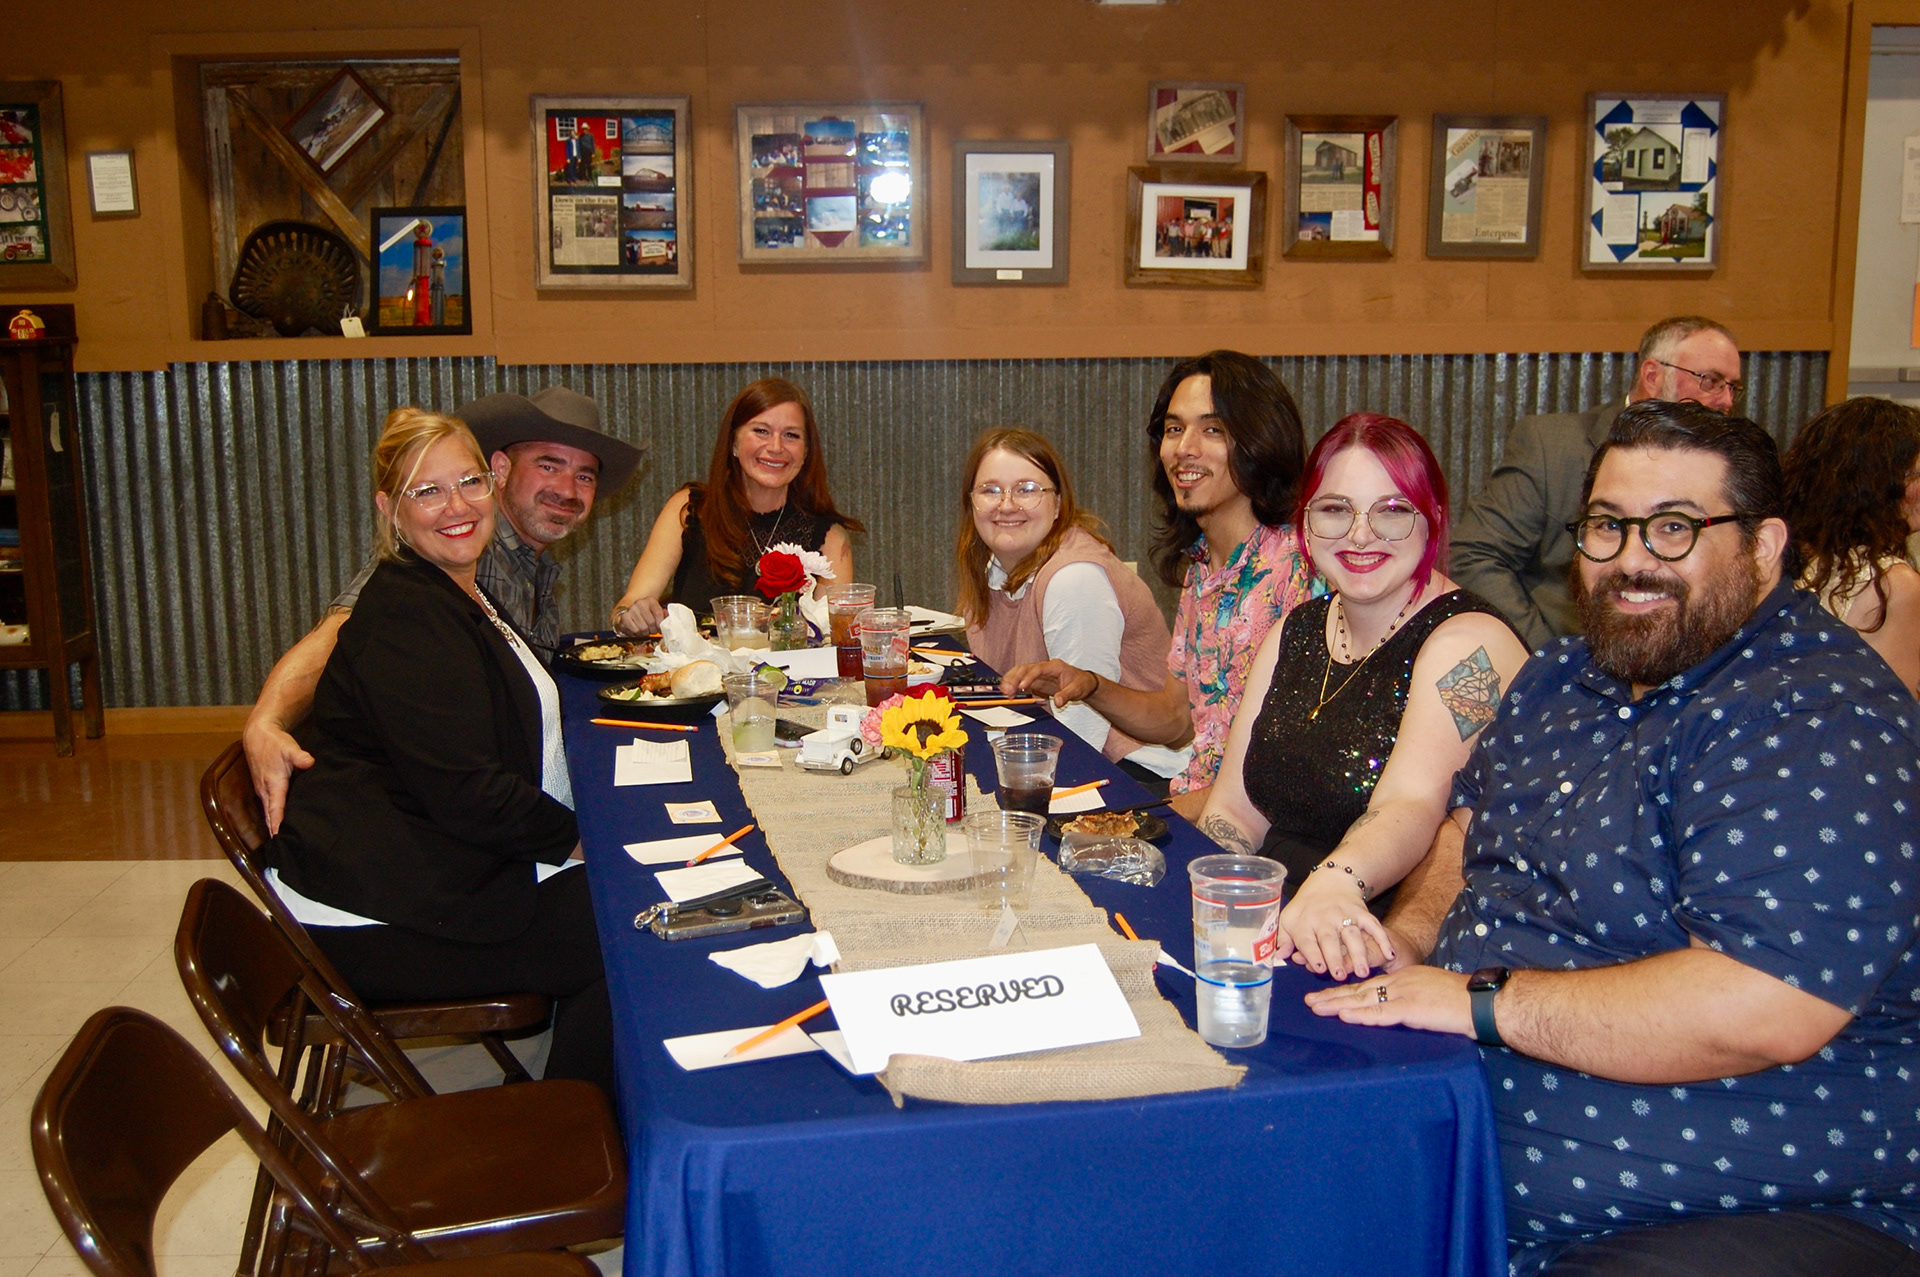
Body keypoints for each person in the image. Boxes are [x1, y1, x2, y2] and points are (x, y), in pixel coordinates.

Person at [1307, 401, 1920, 1275]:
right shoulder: (1561, 675)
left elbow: (1765, 1004)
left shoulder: (1815, 713)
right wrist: (1407, 940)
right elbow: (1464, 831)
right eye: (1607, 526)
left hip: (1736, 1204)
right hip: (1454, 1125)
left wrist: (1480, 1000)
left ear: (1763, 547)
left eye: (1674, 528)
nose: (1632, 559)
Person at [264, 408, 617, 1104]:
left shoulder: (459, 588)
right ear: (389, 510)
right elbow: (471, 795)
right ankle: (569, 1136)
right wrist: (597, 842)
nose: (457, 506)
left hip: (428, 855)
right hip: (369, 912)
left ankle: (576, 1109)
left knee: (626, 907)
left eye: (468, 483)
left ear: (492, 484)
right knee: (629, 930)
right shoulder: (406, 612)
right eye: (427, 492)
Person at [1195, 414, 1527, 978]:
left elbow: (1411, 804)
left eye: (1392, 511)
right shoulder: (1296, 631)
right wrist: (1212, 893)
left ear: (1432, 519)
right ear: (1306, 523)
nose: (1360, 535)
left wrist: (1336, 884)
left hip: (1380, 930)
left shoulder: (1471, 647)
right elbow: (1234, 809)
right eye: (1335, 509)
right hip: (1278, 920)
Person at [242, 386, 641, 833]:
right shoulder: (450, 553)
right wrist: (267, 720)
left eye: (585, 476)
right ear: (501, 470)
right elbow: (344, 631)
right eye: (549, 465)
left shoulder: (514, 568)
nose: (567, 489)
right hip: (416, 834)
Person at [999, 350, 1319, 820]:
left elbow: (1283, 775)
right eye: (1174, 428)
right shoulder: (1203, 567)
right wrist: (1089, 685)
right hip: (1197, 802)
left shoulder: (1302, 571)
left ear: (1260, 442)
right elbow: (1175, 718)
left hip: (1255, 830)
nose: (1184, 448)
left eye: (1212, 429)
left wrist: (1144, 818)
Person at [1452, 316, 1743, 650]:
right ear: (1653, 376)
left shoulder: (1731, 463)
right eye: (1711, 381)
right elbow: (1474, 553)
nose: (1726, 401)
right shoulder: (1554, 447)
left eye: (1733, 387)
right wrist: (1546, 655)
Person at [955, 428, 1186, 782]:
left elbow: (1082, 730)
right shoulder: (993, 570)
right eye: (990, 490)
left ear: (1059, 503)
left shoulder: (1073, 580)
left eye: (1027, 489)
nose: (1007, 504)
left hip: (1136, 771)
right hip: (1061, 749)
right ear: (971, 502)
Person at [612, 377, 861, 632]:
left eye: (791, 435)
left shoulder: (830, 536)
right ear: (733, 442)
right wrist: (629, 617)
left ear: (806, 451)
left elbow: (834, 636)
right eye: (761, 431)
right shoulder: (689, 509)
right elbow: (628, 606)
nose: (776, 447)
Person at [1780, 396, 1920, 696]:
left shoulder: (1782, 557)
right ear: (1878, 483)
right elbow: (1893, 714)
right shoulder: (1893, 584)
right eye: (1918, 474)